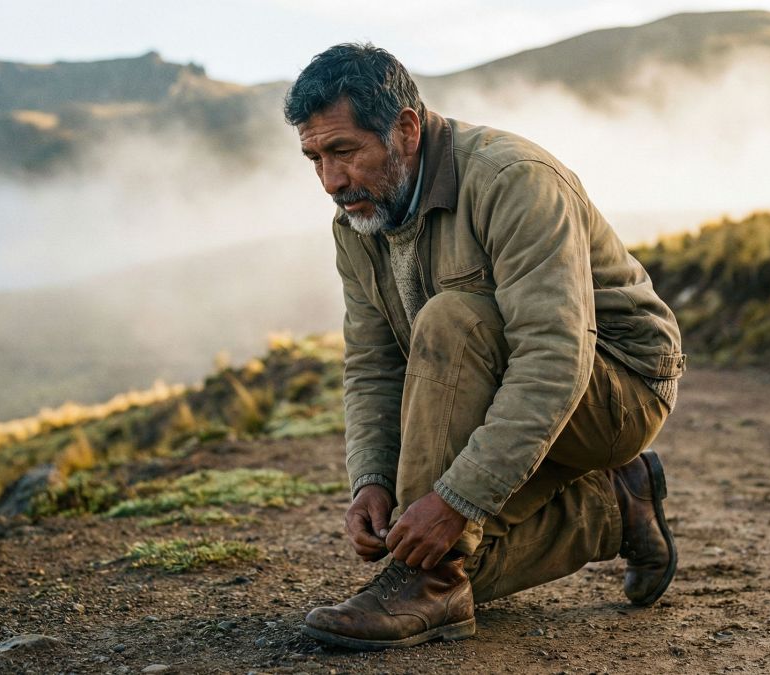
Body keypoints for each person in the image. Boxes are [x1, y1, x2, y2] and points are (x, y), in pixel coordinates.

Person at [284, 43, 686, 650]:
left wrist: (455, 500)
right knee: (443, 548)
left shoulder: (513, 180)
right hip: (512, 395)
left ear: (407, 129)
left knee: (453, 320)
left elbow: (554, 357)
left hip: (619, 390)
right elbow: (373, 363)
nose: (331, 181)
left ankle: (426, 583)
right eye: (314, 158)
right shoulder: (358, 220)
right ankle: (614, 508)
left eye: (344, 151)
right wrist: (371, 480)